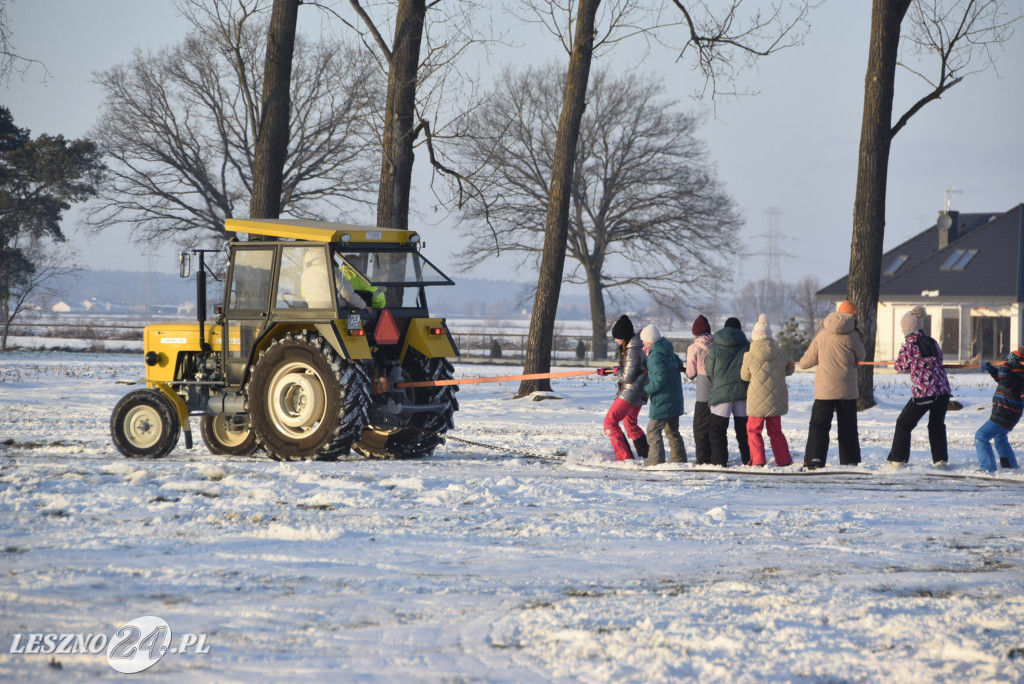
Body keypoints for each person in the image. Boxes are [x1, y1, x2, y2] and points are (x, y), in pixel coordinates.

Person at [799, 300, 866, 469]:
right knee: (848, 427)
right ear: (853, 317)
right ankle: (850, 462)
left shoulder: (822, 334)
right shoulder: (854, 335)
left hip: (824, 391)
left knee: (818, 426)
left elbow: (805, 363)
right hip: (847, 390)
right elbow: (862, 357)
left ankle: (815, 460)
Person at [886, 306, 951, 467]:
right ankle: (940, 460)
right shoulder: (932, 341)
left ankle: (898, 460)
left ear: (907, 328)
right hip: (942, 391)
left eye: (902, 327)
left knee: (903, 424)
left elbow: (900, 367)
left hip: (925, 392)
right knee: (936, 425)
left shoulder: (908, 346)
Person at [740, 314, 794, 467]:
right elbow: (790, 370)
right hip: (776, 399)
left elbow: (744, 376)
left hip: (756, 401)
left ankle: (758, 461)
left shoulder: (749, 355)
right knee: (776, 431)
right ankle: (784, 461)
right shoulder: (781, 353)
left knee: (753, 431)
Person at [599, 315, 650, 461]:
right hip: (639, 392)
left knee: (610, 422)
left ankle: (624, 457)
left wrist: (616, 371)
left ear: (624, 336)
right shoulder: (635, 348)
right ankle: (646, 454)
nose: (615, 340)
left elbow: (628, 377)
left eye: (617, 337)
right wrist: (613, 370)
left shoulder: (633, 350)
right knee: (630, 423)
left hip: (631, 392)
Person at [705, 317, 750, 467]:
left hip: (721, 394)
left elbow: (709, 371)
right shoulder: (747, 347)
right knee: (744, 430)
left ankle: (719, 461)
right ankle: (749, 459)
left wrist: (719, 381)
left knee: (717, 430)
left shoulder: (715, 348)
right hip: (743, 392)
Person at [640, 324, 687, 466]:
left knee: (653, 431)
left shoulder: (654, 356)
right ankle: (679, 458)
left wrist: (646, 390)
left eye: (643, 340)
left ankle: (655, 461)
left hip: (662, 401)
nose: (642, 343)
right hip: (675, 398)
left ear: (649, 340)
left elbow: (660, 379)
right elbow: (679, 365)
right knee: (672, 431)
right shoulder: (669, 351)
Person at [974, 347, 1024, 473]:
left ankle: (987, 468)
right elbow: (1003, 380)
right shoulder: (1018, 373)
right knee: (1000, 436)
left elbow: (1004, 377)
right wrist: (991, 370)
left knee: (981, 436)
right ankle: (1009, 464)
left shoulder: (1020, 372)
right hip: (1010, 414)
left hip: (1004, 413)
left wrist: (1008, 364)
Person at [301, 249, 372, 313]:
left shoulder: (305, 273)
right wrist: (364, 306)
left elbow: (304, 294)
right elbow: (347, 293)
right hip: (335, 308)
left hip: (314, 309)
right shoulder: (331, 269)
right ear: (326, 255)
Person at [686, 315, 714, 464]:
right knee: (714, 425)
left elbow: (691, 373)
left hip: (704, 388)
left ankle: (703, 459)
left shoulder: (694, 347)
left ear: (695, 333)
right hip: (719, 387)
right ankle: (716, 456)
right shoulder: (717, 344)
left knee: (700, 426)